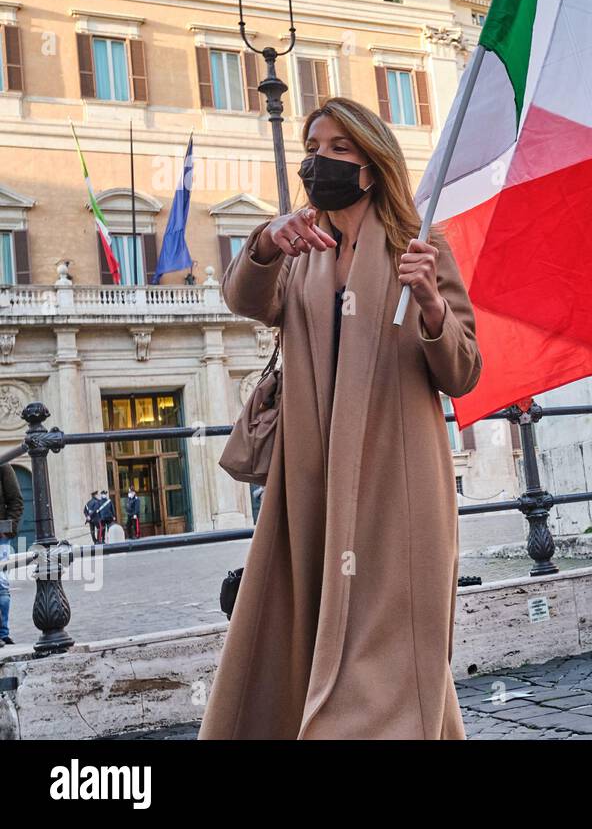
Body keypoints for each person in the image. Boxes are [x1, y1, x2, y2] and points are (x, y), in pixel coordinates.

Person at [198, 96, 481, 740]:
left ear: (373, 162)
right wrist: (266, 243)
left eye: (338, 149)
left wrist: (431, 303)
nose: (318, 161)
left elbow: (464, 371)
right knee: (310, 625)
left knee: (389, 639)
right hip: (311, 475)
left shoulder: (421, 244)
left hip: (396, 478)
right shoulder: (302, 243)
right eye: (313, 148)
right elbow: (246, 298)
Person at [0, 463, 22, 646]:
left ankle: (3, 632)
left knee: (1, 587)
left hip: (0, 537)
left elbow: (16, 501)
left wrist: (7, 530)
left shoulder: (3, 465)